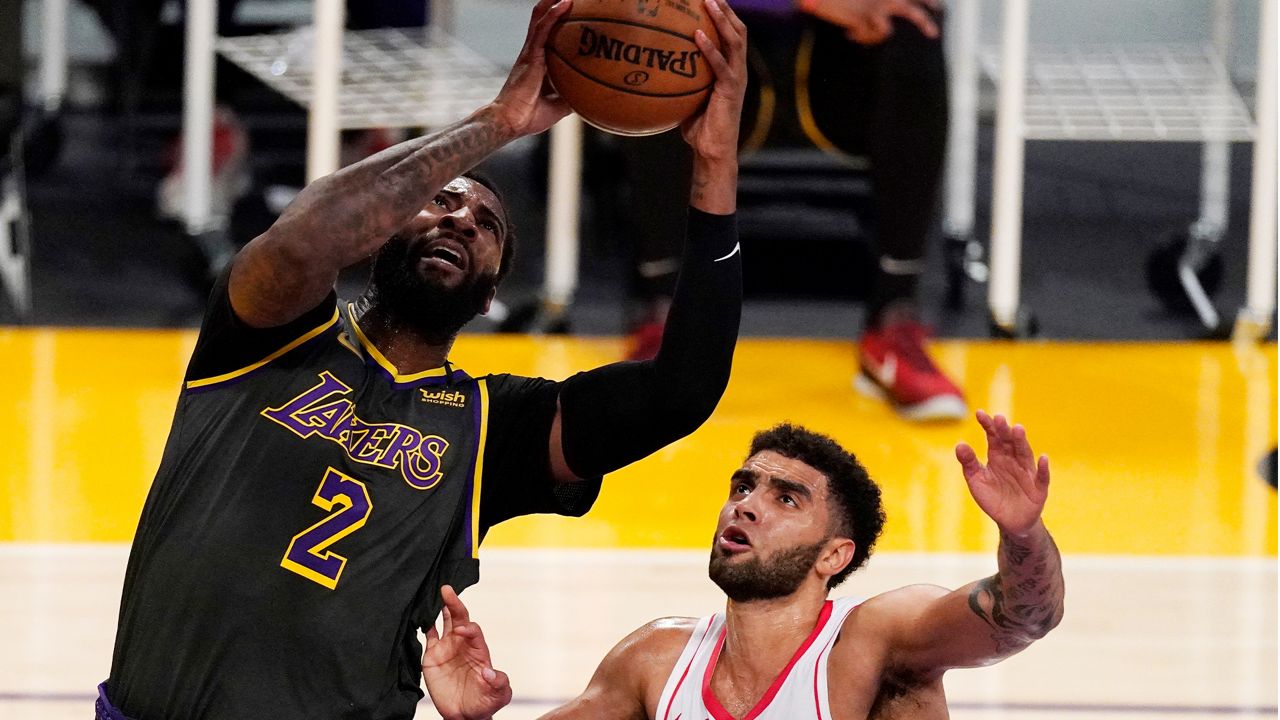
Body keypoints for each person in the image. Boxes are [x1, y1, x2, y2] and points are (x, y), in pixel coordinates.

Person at [99, 0, 748, 717]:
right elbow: (303, 242)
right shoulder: (267, 335)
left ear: (488, 296)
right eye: (440, 201)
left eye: (487, 226)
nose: (461, 220)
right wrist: (493, 126)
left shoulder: (492, 429)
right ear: (381, 231)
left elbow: (681, 391)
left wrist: (714, 169)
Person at [427, 410, 1065, 719]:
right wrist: (466, 719)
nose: (747, 508)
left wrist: (1024, 533)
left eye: (786, 498)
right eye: (742, 488)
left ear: (834, 555)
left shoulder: (875, 641)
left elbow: (1023, 617)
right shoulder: (654, 659)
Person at [620, 0, 961, 423]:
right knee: (656, 26)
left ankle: (893, 317)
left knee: (913, 30)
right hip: (715, 31)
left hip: (839, 63)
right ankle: (663, 312)